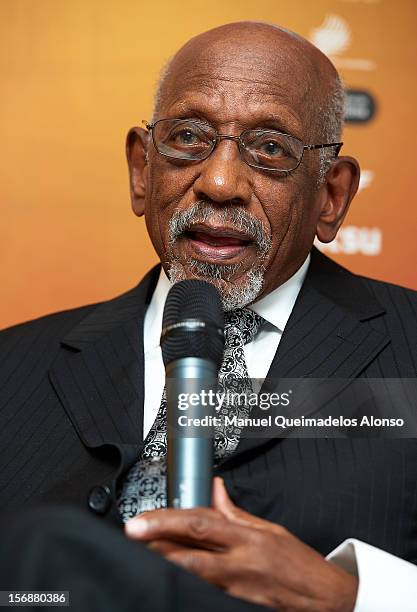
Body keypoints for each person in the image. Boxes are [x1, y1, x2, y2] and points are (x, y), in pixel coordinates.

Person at [1, 21, 417, 612]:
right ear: (143, 171)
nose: (220, 183)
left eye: (271, 148)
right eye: (189, 138)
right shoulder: (11, 366)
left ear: (332, 196)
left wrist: (351, 599)